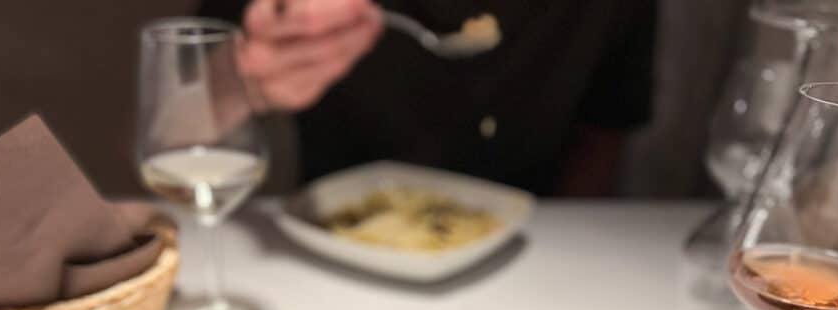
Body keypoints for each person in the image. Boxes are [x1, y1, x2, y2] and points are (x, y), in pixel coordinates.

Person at [201, 0, 658, 195]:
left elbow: (606, 131)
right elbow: (173, 128)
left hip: (540, 262)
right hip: (331, 258)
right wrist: (243, 82)